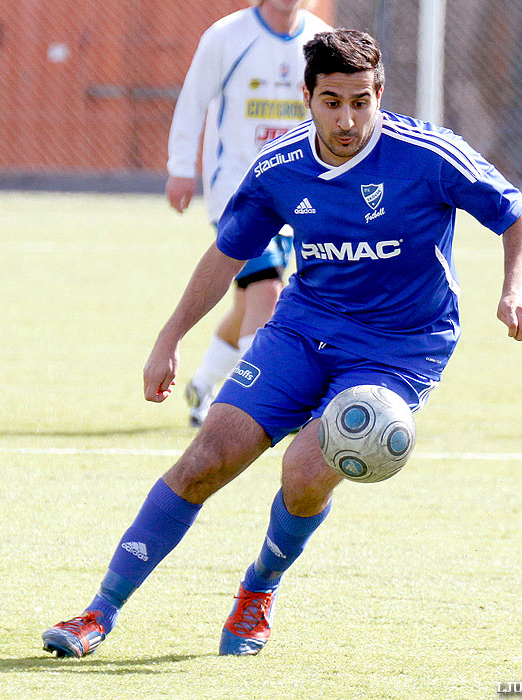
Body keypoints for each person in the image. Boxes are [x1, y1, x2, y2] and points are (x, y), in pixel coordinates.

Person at [42, 28, 522, 659]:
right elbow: (226, 256)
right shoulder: (280, 169)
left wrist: (514, 290)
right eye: (332, 102)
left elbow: (517, 212)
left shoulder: (430, 154)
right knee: (206, 461)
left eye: (362, 101)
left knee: (305, 472)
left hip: (400, 347)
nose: (348, 119)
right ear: (307, 96)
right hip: (303, 330)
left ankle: (258, 590)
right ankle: (98, 613)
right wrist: (168, 339)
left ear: (380, 93)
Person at [166, 0, 330, 427]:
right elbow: (193, 101)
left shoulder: (319, 39)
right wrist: (180, 169)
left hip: (298, 193)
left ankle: (203, 385)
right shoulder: (225, 36)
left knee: (245, 301)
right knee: (267, 292)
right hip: (238, 192)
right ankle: (257, 406)